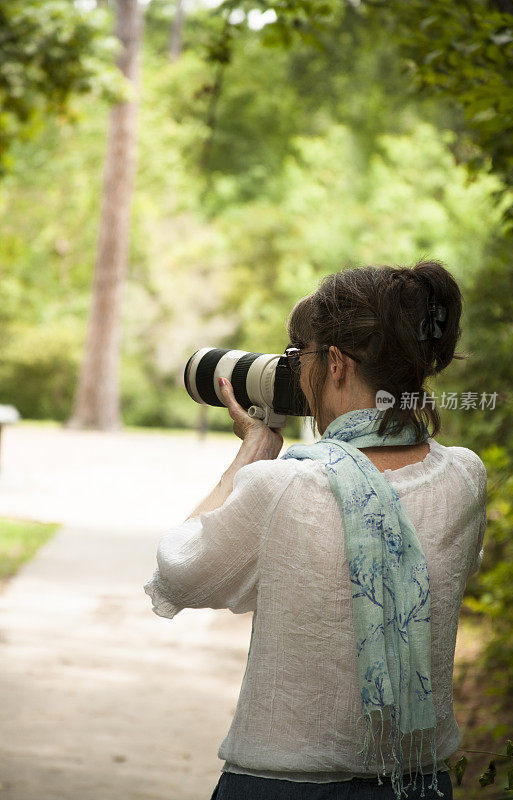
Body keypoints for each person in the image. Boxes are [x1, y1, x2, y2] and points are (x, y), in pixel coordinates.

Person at [144, 260, 488, 800]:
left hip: (281, 786)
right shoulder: (465, 478)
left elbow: (178, 571)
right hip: (419, 785)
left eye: (298, 357)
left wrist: (252, 453)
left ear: (334, 363)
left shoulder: (283, 487)